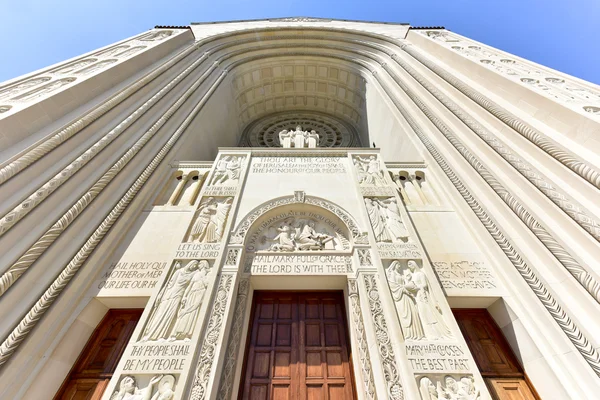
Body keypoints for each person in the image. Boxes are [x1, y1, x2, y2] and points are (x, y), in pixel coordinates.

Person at [142, 261, 199, 341]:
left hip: (179, 295)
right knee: (160, 313)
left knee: (170, 315)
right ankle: (150, 334)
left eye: (196, 265)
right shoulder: (178, 271)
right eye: (194, 265)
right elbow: (169, 284)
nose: (194, 266)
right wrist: (161, 293)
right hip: (169, 294)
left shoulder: (193, 274)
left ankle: (162, 336)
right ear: (190, 264)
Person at [408, 261, 453, 339]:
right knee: (423, 314)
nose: (409, 266)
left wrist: (417, 288)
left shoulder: (421, 274)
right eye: (408, 265)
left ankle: (436, 333)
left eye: (410, 264)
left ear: (414, 265)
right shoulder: (412, 276)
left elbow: (424, 284)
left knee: (428, 313)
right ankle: (429, 333)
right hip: (417, 296)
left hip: (423, 295)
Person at [170, 262, 209, 340]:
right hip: (191, 294)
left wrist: (203, 276)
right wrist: (185, 296)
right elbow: (190, 286)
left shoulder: (208, 274)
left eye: (200, 264)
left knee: (193, 312)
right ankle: (177, 333)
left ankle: (187, 334)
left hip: (200, 293)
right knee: (185, 313)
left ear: (204, 265)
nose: (198, 265)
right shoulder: (196, 274)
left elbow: (207, 284)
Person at [386, 261, 425, 340]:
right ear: (394, 265)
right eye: (398, 264)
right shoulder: (392, 274)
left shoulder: (400, 275)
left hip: (407, 296)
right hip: (401, 296)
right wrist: (404, 289)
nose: (400, 266)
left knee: (413, 313)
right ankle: (408, 335)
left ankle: (417, 335)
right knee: (405, 315)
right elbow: (393, 285)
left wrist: (408, 281)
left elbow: (406, 285)